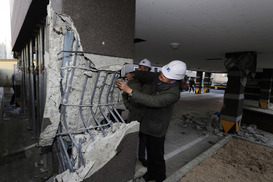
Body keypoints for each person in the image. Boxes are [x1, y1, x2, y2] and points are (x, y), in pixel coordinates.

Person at [116, 60, 187, 182]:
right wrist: (134, 74)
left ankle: (159, 177)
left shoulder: (173, 93)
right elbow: (148, 75)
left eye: (163, 77)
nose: (160, 77)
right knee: (150, 152)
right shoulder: (162, 77)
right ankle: (151, 173)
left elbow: (154, 101)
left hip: (157, 128)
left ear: (173, 80)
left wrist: (130, 91)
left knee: (156, 155)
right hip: (148, 121)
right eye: (160, 75)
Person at [122, 58, 152, 167]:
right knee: (131, 136)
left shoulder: (151, 82)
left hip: (146, 113)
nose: (142, 69)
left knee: (143, 138)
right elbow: (124, 94)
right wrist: (128, 105)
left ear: (149, 70)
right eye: (140, 67)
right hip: (133, 112)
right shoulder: (132, 81)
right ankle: (129, 156)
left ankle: (142, 157)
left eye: (145, 68)